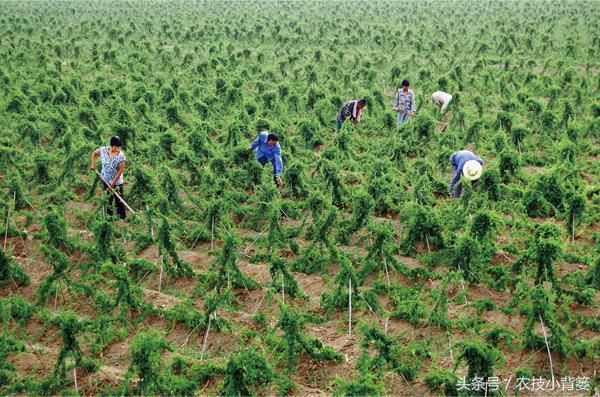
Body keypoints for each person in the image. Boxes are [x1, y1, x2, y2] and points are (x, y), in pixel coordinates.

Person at [91, 136, 127, 219]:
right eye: (117, 146)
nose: (118, 148)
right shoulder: (103, 150)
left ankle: (122, 218)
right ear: (112, 146)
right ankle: (109, 217)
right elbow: (94, 153)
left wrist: (113, 183)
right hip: (105, 180)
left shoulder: (121, 156)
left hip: (117, 182)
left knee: (119, 200)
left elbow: (120, 171)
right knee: (108, 199)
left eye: (119, 147)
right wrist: (93, 163)